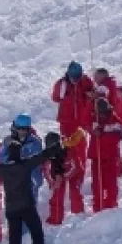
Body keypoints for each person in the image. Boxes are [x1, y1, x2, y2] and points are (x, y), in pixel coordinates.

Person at [0, 131, 82, 244]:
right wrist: (58, 147)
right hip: (27, 207)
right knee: (37, 234)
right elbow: (43, 155)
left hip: (11, 209)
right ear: (20, 152)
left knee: (14, 240)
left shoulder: (3, 169)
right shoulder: (25, 164)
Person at [50, 62, 92, 216]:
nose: (75, 79)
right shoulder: (62, 84)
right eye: (73, 77)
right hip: (66, 123)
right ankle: (70, 172)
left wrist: (90, 95)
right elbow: (55, 98)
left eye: (77, 76)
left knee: (81, 151)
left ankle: (78, 179)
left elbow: (93, 94)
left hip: (80, 123)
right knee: (68, 150)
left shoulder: (86, 81)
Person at [89, 98, 122, 212]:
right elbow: (87, 125)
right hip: (96, 156)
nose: (101, 114)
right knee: (97, 184)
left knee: (111, 184)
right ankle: (97, 207)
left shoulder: (114, 119)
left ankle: (111, 206)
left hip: (110, 157)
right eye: (99, 112)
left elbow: (117, 136)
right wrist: (94, 130)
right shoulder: (93, 118)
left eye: (103, 112)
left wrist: (103, 132)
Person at [0, 114, 45, 199]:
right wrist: (10, 157)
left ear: (29, 129)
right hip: (12, 182)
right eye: (19, 128)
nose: (21, 131)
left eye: (24, 129)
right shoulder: (7, 141)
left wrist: (21, 156)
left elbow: (36, 162)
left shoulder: (35, 142)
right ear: (15, 128)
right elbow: (1, 159)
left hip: (30, 182)